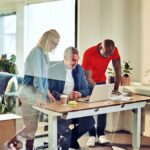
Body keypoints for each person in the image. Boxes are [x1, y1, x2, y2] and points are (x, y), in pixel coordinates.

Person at [6, 29, 60, 150]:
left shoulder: (44, 54)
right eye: (54, 43)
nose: (55, 47)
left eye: (57, 44)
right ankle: (10, 145)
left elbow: (44, 77)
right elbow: (37, 77)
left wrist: (47, 91)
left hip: (34, 92)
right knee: (31, 127)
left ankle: (23, 147)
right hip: (28, 93)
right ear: (46, 40)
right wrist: (41, 94)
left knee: (32, 127)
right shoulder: (36, 53)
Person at [48, 47, 95, 150]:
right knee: (65, 131)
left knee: (89, 122)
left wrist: (79, 93)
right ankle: (66, 142)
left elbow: (86, 89)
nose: (75, 63)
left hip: (74, 105)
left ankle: (68, 141)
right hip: (58, 106)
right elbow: (51, 90)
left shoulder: (79, 69)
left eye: (77, 60)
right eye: (73, 60)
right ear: (65, 58)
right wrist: (65, 96)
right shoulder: (54, 70)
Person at [82, 39, 121, 147]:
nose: (108, 56)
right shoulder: (89, 53)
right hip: (87, 82)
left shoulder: (113, 51)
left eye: (110, 54)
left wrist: (116, 89)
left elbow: (118, 70)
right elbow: (87, 77)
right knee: (89, 108)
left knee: (103, 107)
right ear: (100, 48)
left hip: (101, 80)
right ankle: (91, 135)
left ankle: (101, 134)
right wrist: (99, 89)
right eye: (106, 54)